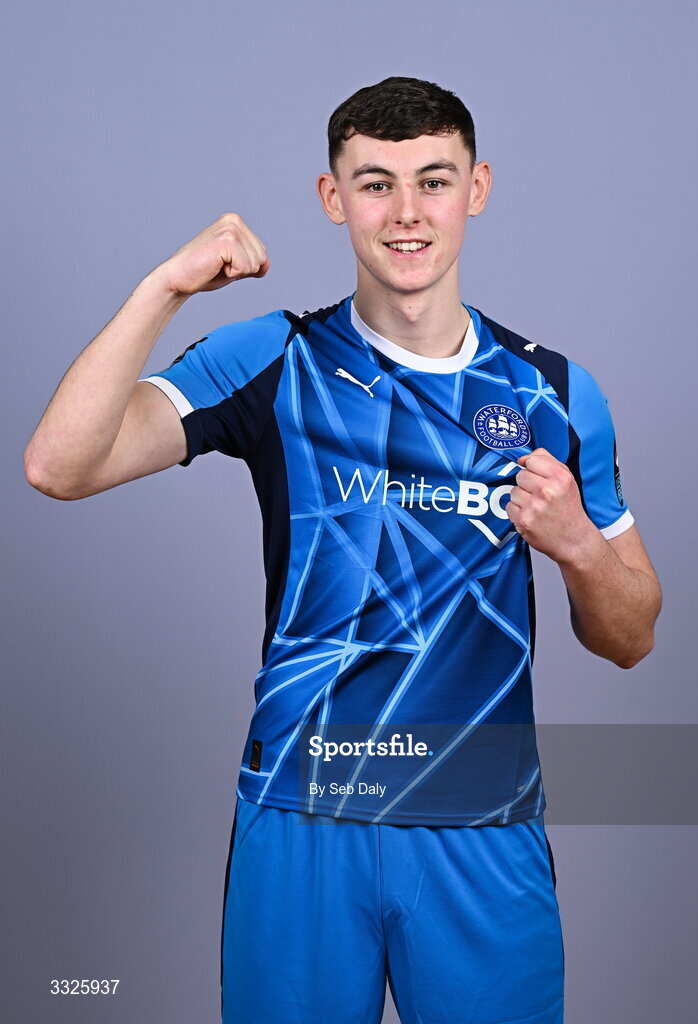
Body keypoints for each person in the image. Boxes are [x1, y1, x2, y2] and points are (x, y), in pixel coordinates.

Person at [24, 76, 662, 1024]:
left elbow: (630, 635)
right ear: (334, 198)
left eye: (433, 181)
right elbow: (58, 466)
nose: (406, 213)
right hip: (302, 812)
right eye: (375, 183)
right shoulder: (271, 358)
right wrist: (162, 290)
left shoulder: (557, 394)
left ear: (476, 189)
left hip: (480, 826)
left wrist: (576, 546)